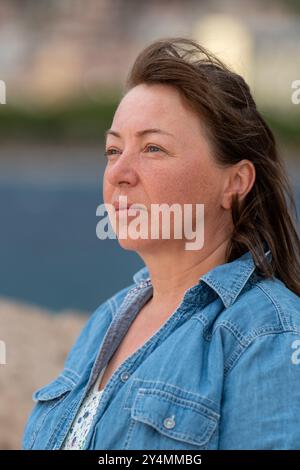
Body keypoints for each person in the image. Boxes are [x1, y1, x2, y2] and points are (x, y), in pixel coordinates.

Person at [22, 37, 300, 450]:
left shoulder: (269, 335)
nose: (119, 172)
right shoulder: (106, 322)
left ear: (235, 183)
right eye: (112, 149)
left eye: (153, 148)